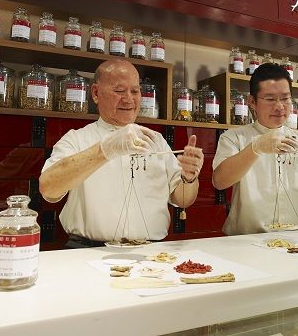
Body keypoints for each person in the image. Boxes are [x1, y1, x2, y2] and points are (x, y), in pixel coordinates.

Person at [39, 59, 203, 248]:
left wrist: (189, 178)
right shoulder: (77, 139)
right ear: (95, 93)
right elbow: (48, 189)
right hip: (89, 250)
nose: (129, 99)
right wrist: (106, 149)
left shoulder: (156, 140)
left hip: (151, 253)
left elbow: (182, 199)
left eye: (135, 91)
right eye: (119, 91)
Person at [212, 63, 298, 235]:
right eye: (270, 99)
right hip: (246, 241)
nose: (279, 106)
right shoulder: (233, 138)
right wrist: (256, 147)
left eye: (285, 98)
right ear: (252, 102)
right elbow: (220, 181)